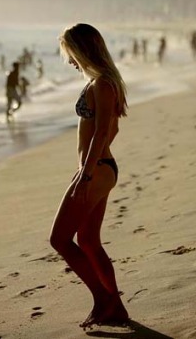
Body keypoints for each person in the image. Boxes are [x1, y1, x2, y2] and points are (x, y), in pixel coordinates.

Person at [50, 23, 129, 328]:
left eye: (68, 52)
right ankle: (117, 308)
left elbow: (101, 133)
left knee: (59, 239)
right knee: (88, 241)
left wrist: (86, 172)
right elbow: (111, 130)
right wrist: (90, 167)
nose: (68, 59)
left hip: (95, 170)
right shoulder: (102, 82)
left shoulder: (102, 85)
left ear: (81, 49)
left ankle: (103, 300)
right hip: (98, 168)